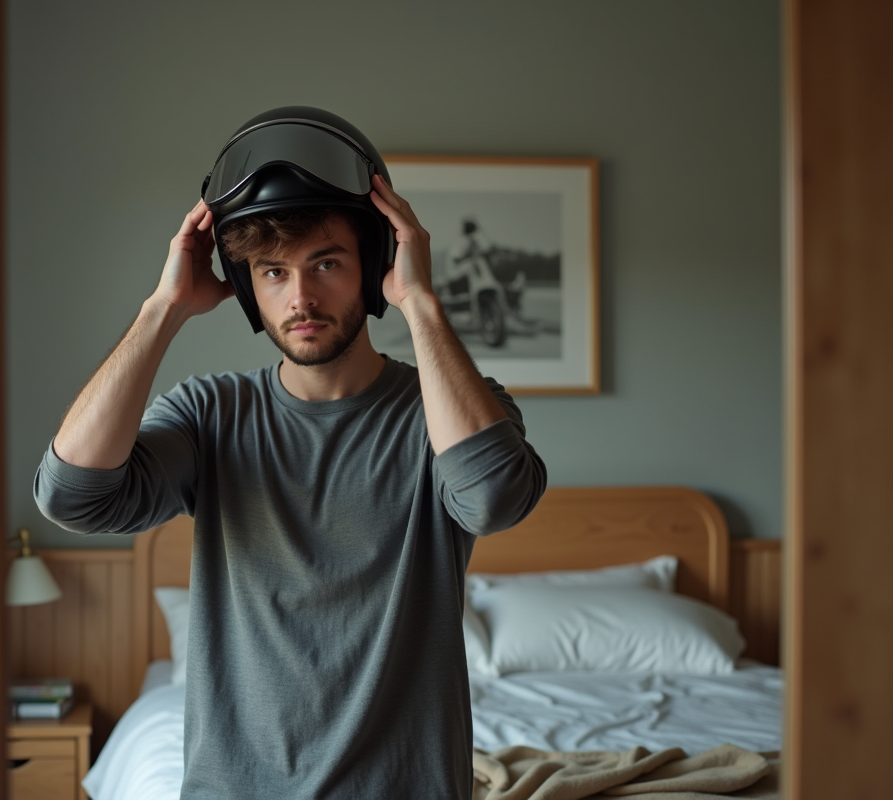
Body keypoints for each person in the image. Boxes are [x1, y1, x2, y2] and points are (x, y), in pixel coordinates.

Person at [34, 107, 546, 800]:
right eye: (272, 273)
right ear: (247, 288)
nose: (300, 297)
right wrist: (165, 308)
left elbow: (493, 499)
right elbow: (72, 497)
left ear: (375, 267)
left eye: (326, 264)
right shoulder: (211, 414)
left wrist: (420, 300)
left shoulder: (454, 407)